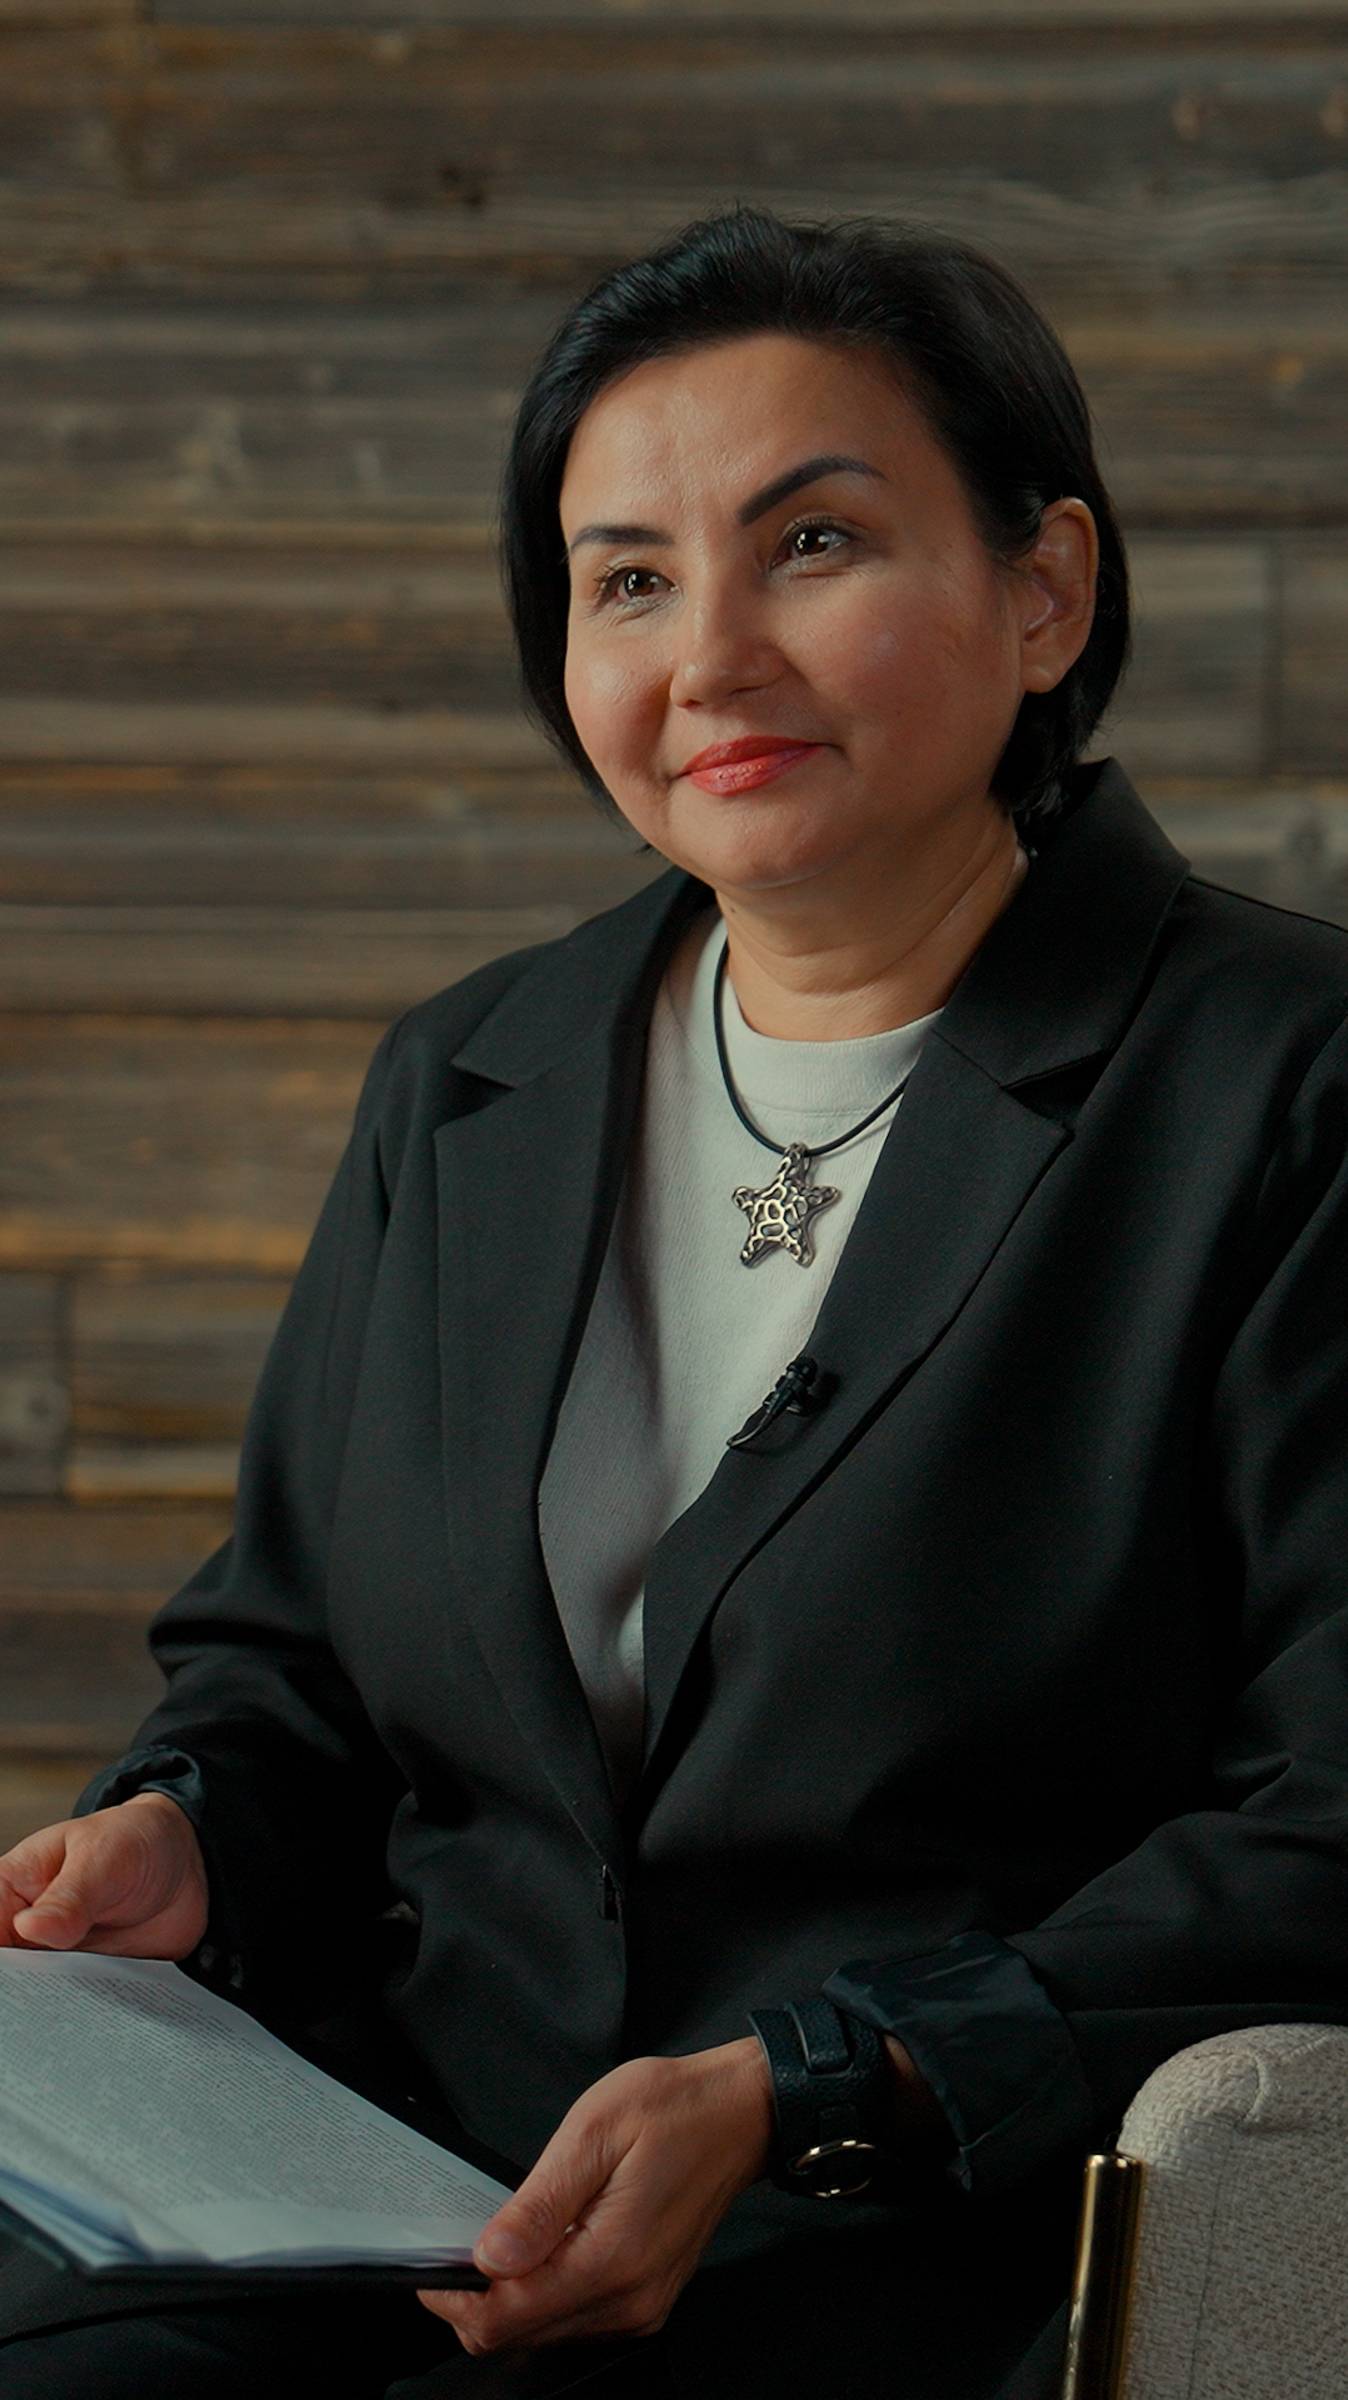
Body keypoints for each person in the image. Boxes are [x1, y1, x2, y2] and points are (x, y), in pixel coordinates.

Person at [2, 201, 1348, 2400]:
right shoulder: (470, 1079)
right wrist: (193, 1835)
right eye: (625, 580)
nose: (707, 656)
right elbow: (290, 1670)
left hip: (920, 2247)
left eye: (810, 544)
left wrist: (815, 2085)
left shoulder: (1284, 1090)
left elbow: (1324, 1822)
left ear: (1043, 591)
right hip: (394, 2201)